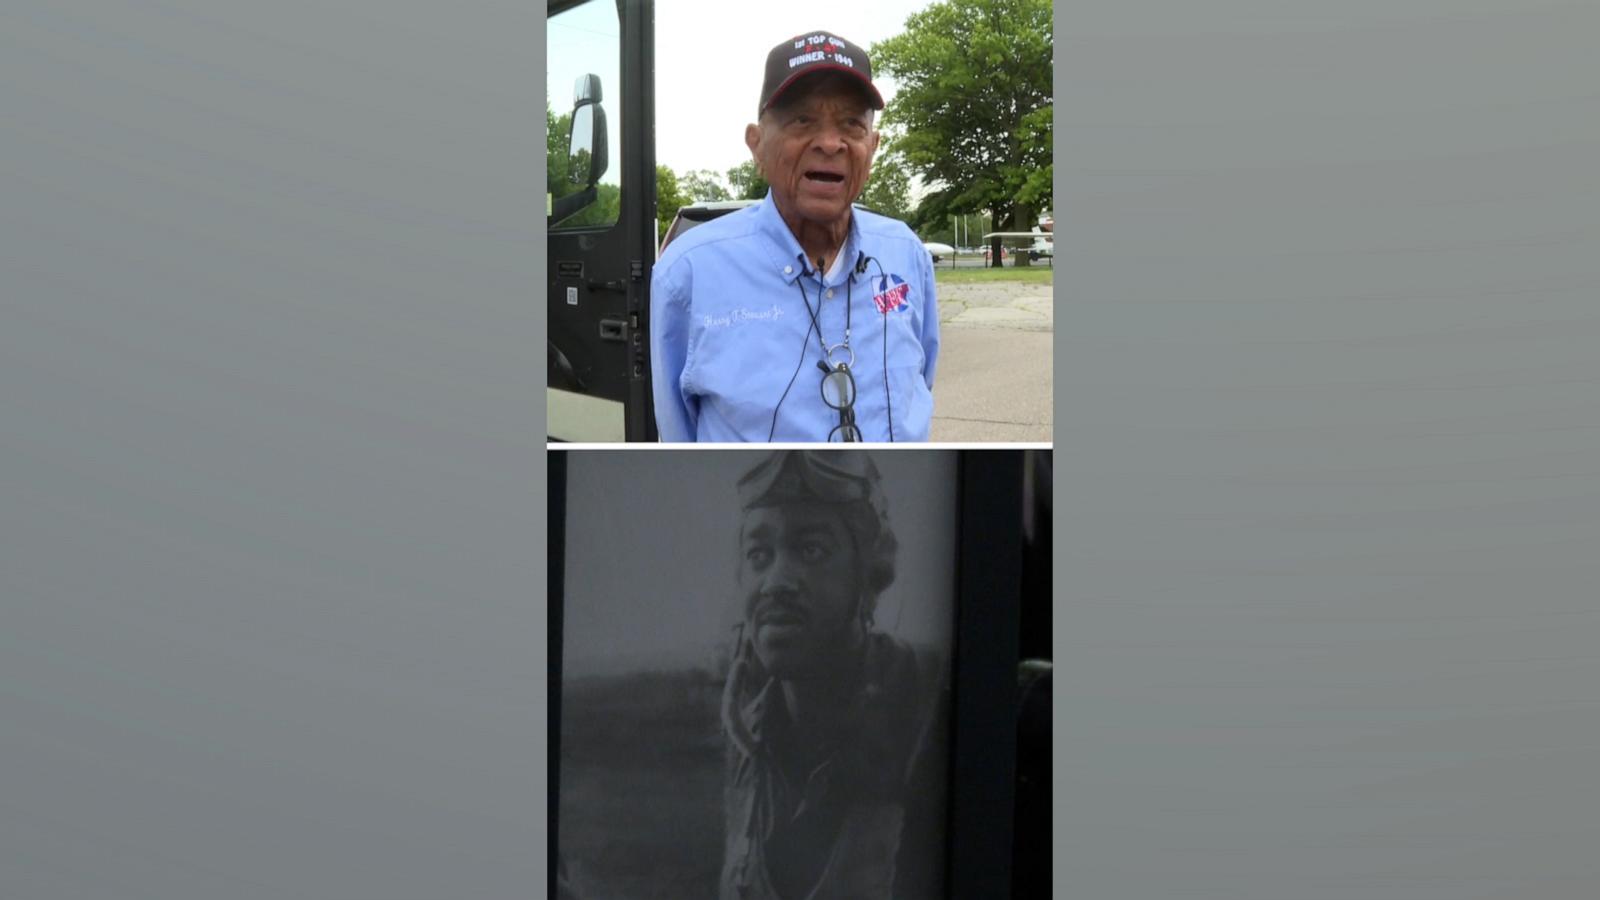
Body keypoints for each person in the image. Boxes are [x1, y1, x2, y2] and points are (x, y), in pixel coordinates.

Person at [651, 33, 940, 443]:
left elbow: (921, 385)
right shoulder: (688, 274)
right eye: (801, 120)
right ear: (756, 144)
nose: (829, 142)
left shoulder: (906, 255)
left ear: (872, 147)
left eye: (851, 124)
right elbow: (679, 441)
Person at [720, 450, 947, 899]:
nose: (777, 580)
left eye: (811, 550)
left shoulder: (930, 708)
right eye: (759, 554)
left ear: (868, 573)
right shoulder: (745, 732)